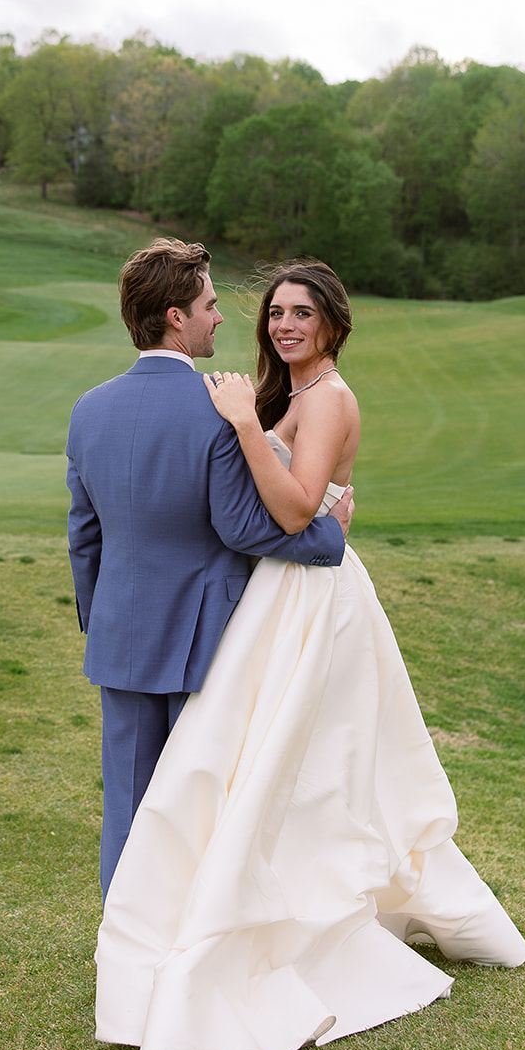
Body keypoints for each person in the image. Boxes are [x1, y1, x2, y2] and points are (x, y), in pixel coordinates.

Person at [95, 259, 525, 1050]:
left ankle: (290, 919)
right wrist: (257, 428)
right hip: (275, 593)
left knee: (295, 762)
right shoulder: (288, 395)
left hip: (309, 596)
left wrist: (245, 429)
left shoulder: (327, 398)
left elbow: (295, 510)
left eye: (301, 313)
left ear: (332, 323)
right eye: (274, 314)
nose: (282, 325)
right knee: (255, 758)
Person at [66, 240, 354, 899]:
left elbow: (85, 537)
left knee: (129, 806)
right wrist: (327, 539)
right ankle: (187, 949)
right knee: (203, 803)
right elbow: (243, 526)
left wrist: (98, 617)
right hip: (206, 641)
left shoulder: (88, 411)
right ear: (176, 316)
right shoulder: (221, 406)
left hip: (120, 639)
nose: (220, 318)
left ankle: (124, 949)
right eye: (210, 305)